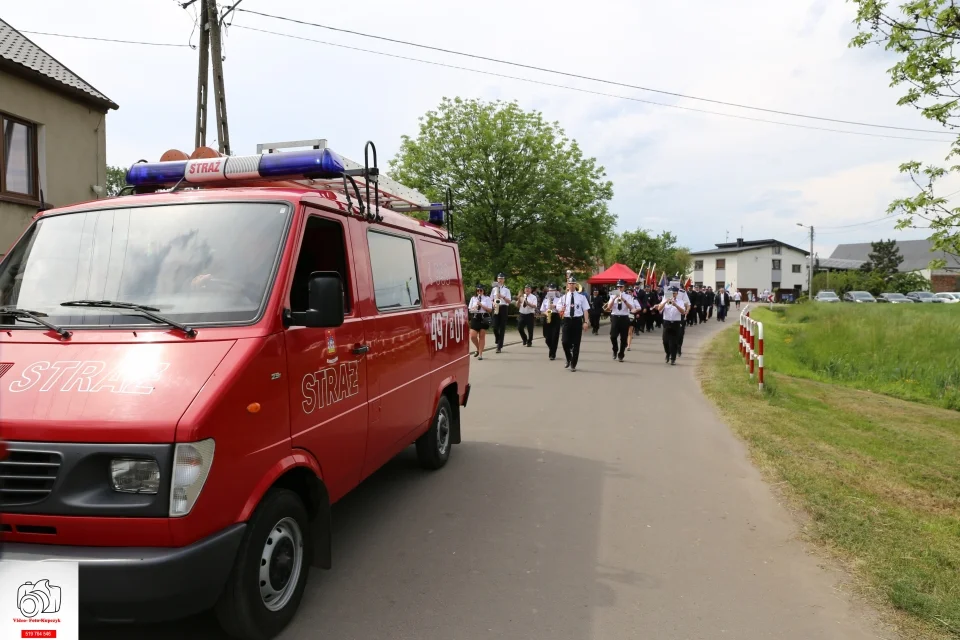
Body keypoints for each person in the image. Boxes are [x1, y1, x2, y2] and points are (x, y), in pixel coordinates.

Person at [555, 277, 590, 372]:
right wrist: (560, 309)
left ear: (576, 285)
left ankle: (573, 364)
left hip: (577, 320)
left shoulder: (581, 297)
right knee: (564, 342)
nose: (571, 285)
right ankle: (568, 358)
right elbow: (558, 307)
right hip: (567, 320)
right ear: (568, 285)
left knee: (576, 343)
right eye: (570, 283)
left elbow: (585, 310)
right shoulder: (563, 297)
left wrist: (586, 321)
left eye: (573, 283)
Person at [603, 279, 639, 362]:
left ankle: (621, 354)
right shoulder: (612, 295)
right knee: (613, 336)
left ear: (624, 287)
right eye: (618, 286)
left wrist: (623, 299)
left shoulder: (628, 296)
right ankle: (615, 349)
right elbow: (609, 307)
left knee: (623, 338)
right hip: (615, 317)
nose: (619, 288)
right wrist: (614, 297)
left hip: (624, 317)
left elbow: (631, 308)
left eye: (621, 287)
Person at [657, 286, 687, 365]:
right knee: (665, 341)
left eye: (674, 293)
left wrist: (676, 305)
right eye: (671, 293)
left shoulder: (680, 301)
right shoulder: (665, 299)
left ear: (677, 294)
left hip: (676, 323)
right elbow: (659, 309)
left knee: (674, 342)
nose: (672, 295)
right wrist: (665, 301)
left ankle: (673, 358)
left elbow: (683, 312)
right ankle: (668, 353)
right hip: (667, 322)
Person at [468, 284, 493, 360]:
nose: (479, 292)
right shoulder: (473, 298)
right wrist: (474, 307)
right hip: (475, 317)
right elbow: (470, 309)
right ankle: (478, 349)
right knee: (473, 336)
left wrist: (481, 305)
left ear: (483, 291)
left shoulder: (487, 298)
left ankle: (480, 354)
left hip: (483, 317)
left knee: (482, 336)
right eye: (478, 290)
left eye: (481, 290)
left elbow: (490, 310)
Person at [490, 273, 512, 353]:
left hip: (503, 307)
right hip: (496, 307)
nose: (500, 280)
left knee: (502, 327)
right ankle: (497, 338)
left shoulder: (507, 289)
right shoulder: (494, 289)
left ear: (504, 280)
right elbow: (491, 299)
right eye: (499, 278)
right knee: (494, 326)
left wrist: (502, 296)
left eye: (501, 279)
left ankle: (499, 346)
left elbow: (509, 301)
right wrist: (493, 303)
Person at [540, 283, 562, 361]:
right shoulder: (545, 299)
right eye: (550, 290)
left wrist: (555, 306)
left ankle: (552, 354)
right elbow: (542, 310)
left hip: (556, 317)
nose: (551, 291)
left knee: (554, 337)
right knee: (546, 337)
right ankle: (551, 348)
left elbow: (561, 310)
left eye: (553, 290)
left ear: (555, 291)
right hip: (547, 316)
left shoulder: (559, 299)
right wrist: (546, 313)